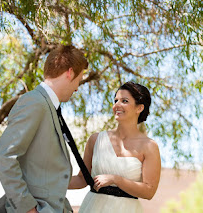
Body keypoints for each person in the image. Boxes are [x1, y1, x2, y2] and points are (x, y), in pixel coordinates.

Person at [0, 45, 88, 213]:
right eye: (79, 80)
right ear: (70, 73)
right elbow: (5, 157)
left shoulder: (48, 106)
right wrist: (28, 209)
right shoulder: (34, 102)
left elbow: (45, 176)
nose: (77, 88)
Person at [69, 81, 161, 213]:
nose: (117, 105)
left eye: (124, 101)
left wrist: (116, 179)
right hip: (93, 207)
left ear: (139, 108)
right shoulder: (95, 140)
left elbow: (149, 191)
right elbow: (82, 179)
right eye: (116, 100)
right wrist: (46, 182)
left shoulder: (149, 146)